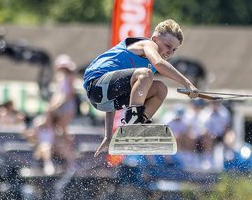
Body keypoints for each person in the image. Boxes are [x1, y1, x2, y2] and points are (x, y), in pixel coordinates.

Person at [83, 19, 199, 156]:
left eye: (174, 50)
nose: (170, 52)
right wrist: (187, 83)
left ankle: (135, 128)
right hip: (95, 85)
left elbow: (110, 100)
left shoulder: (149, 68)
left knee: (160, 89)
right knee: (145, 74)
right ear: (155, 39)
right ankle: (133, 122)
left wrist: (108, 136)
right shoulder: (148, 44)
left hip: (104, 98)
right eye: (168, 46)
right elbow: (159, 63)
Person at [47, 54, 78, 166]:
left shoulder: (66, 77)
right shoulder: (67, 77)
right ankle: (65, 154)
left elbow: (66, 94)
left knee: (62, 130)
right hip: (66, 105)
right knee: (61, 130)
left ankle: (68, 155)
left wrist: (55, 105)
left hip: (66, 105)